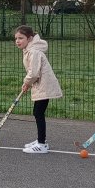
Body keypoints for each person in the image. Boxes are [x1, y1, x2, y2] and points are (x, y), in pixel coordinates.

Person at [15, 25, 62, 154]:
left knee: (38, 113)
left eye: (21, 38)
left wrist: (26, 82)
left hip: (44, 86)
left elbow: (34, 73)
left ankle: (42, 144)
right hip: (40, 85)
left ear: (29, 39)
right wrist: (28, 83)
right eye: (16, 38)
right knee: (37, 113)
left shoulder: (34, 51)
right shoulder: (29, 50)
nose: (17, 41)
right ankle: (41, 140)